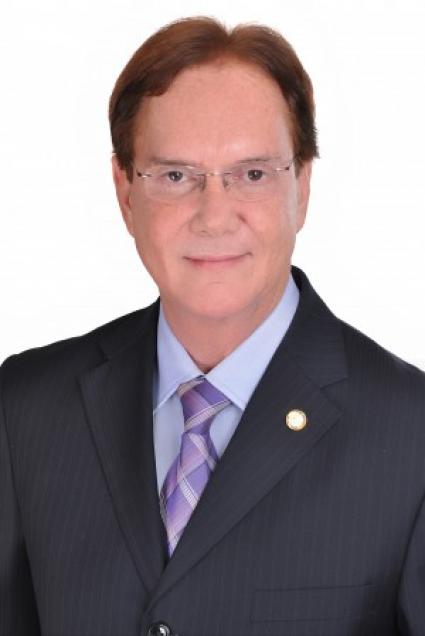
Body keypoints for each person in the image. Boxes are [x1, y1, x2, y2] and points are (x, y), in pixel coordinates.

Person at [1, 15, 424, 636]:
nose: (214, 215)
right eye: (176, 176)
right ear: (125, 192)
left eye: (252, 174)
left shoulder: (412, 434)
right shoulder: (26, 410)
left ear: (303, 187)